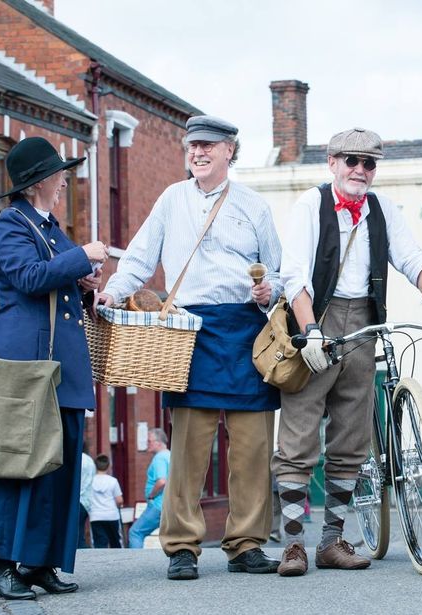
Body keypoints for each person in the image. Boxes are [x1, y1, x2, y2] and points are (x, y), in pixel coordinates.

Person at [273, 127, 422, 577]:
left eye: (369, 163)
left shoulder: (382, 209)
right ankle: (293, 544)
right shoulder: (311, 204)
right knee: (299, 436)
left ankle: (331, 541)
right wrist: (311, 331)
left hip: (364, 323)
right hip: (316, 322)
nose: (360, 170)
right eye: (351, 161)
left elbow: (414, 261)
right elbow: (294, 275)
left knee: (352, 438)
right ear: (333, 162)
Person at [100, 115, 283, 580]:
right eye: (191, 146)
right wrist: (114, 290)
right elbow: (140, 256)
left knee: (252, 447)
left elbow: (278, 271)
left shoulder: (254, 206)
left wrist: (270, 291)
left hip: (246, 330)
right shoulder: (170, 200)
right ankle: (181, 545)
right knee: (188, 449)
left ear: (230, 151)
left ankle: (246, 544)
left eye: (207, 145)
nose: (197, 153)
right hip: (189, 331)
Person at [0, 136, 107, 598]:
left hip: (61, 368)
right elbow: (30, 278)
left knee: (61, 466)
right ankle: (4, 563)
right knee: (22, 465)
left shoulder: (51, 227)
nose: (65, 178)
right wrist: (82, 256)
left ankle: (40, 561)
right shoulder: (11, 225)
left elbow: (61, 283)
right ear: (39, 183)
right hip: (27, 366)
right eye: (59, 173)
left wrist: (88, 284)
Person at [127, 429, 170, 549]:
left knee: (135, 532)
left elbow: (162, 481)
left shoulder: (159, 458)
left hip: (158, 504)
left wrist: (151, 495)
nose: (147, 444)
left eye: (150, 441)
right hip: (169, 504)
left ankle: (136, 563)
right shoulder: (170, 455)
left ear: (158, 442)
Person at [89, 454, 123, 548]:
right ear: (108, 466)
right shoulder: (113, 481)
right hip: (112, 515)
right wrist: (119, 505)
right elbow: (119, 500)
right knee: (115, 542)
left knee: (99, 543)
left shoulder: (91, 481)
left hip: (96, 516)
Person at [78, 450, 96, 548]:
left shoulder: (76, 460)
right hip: (86, 501)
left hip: (77, 500)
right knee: (79, 531)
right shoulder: (90, 460)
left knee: (75, 533)